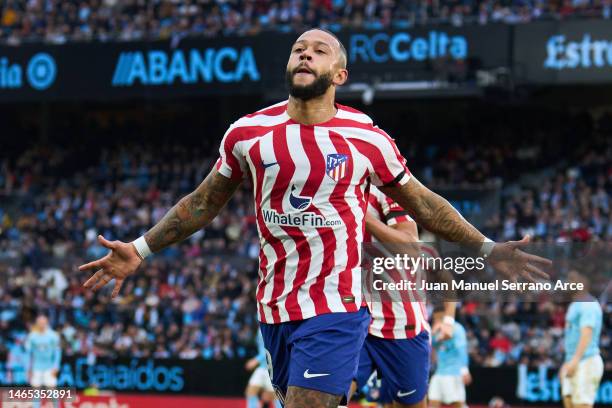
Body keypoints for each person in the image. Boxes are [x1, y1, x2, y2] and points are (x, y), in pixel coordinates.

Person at [79, 28, 550, 408]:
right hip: (274, 307)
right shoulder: (247, 133)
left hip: (336, 305)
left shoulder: (366, 137)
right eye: (298, 49)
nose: (305, 55)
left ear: (339, 73)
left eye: (319, 51)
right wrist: (140, 248)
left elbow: (424, 204)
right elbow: (203, 202)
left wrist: (488, 248)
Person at [349, 186, 458, 408]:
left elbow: (446, 281)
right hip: (354, 322)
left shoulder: (423, 251)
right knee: (329, 395)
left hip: (402, 329)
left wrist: (446, 319)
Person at [560, 270, 604, 408]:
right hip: (573, 361)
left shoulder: (588, 304)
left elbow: (587, 333)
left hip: (586, 361)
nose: (568, 282)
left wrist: (574, 360)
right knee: (569, 403)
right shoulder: (575, 304)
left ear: (583, 282)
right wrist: (567, 362)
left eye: (572, 279)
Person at [428, 307, 470, 408]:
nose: (437, 321)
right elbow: (431, 348)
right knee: (433, 403)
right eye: (435, 319)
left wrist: (464, 370)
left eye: (439, 318)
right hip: (439, 373)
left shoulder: (457, 328)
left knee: (457, 404)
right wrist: (433, 333)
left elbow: (462, 350)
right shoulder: (435, 330)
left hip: (454, 374)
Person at [26, 315, 61, 408]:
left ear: (46, 323)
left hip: (49, 367)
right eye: (39, 323)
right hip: (36, 367)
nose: (41, 324)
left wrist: (56, 366)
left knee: (52, 391)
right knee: (36, 392)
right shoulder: (32, 336)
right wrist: (28, 368)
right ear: (37, 324)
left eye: (43, 322)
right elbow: (29, 354)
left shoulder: (53, 335)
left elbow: (57, 352)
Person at [245, 329, 281, 408]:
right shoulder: (259, 328)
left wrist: (256, 360)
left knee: (276, 397)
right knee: (251, 391)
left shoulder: (271, 326)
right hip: (262, 367)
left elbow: (271, 347)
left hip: (272, 368)